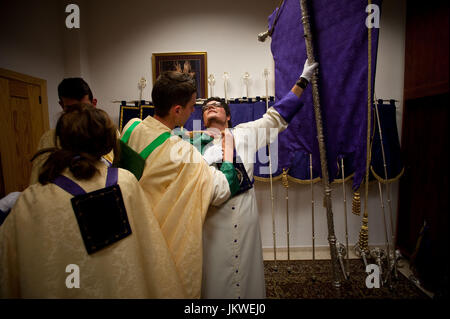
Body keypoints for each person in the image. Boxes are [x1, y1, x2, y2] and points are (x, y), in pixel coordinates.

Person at [0, 104, 184, 298]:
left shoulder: (33, 199)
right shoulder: (124, 182)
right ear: (107, 142)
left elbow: (9, 268)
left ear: (62, 140)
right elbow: (151, 250)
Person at [197, 59, 318, 299]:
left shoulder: (245, 133)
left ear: (228, 116)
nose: (210, 106)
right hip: (211, 221)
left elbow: (277, 117)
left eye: (216, 105)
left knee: (246, 272)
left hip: (244, 216)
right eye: (206, 106)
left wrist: (302, 80)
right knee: (214, 275)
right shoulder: (193, 144)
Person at [119, 71, 239, 298]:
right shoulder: (183, 153)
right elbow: (221, 189)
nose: (193, 110)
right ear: (177, 110)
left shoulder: (132, 126)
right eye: (192, 106)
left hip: (127, 231)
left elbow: (159, 139)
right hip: (159, 238)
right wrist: (229, 154)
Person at [29, 78, 113, 185]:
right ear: (61, 105)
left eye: (84, 107)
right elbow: (37, 182)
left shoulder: (106, 133)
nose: (78, 115)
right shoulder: (49, 138)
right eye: (71, 109)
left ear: (94, 103)